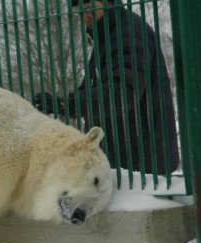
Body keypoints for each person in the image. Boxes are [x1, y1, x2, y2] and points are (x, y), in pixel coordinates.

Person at [34, 0, 179, 175]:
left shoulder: (130, 33)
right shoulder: (106, 38)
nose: (85, 17)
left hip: (144, 162)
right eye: (80, 13)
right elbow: (94, 87)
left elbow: (123, 92)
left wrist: (71, 104)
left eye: (89, 9)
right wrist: (62, 103)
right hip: (125, 158)